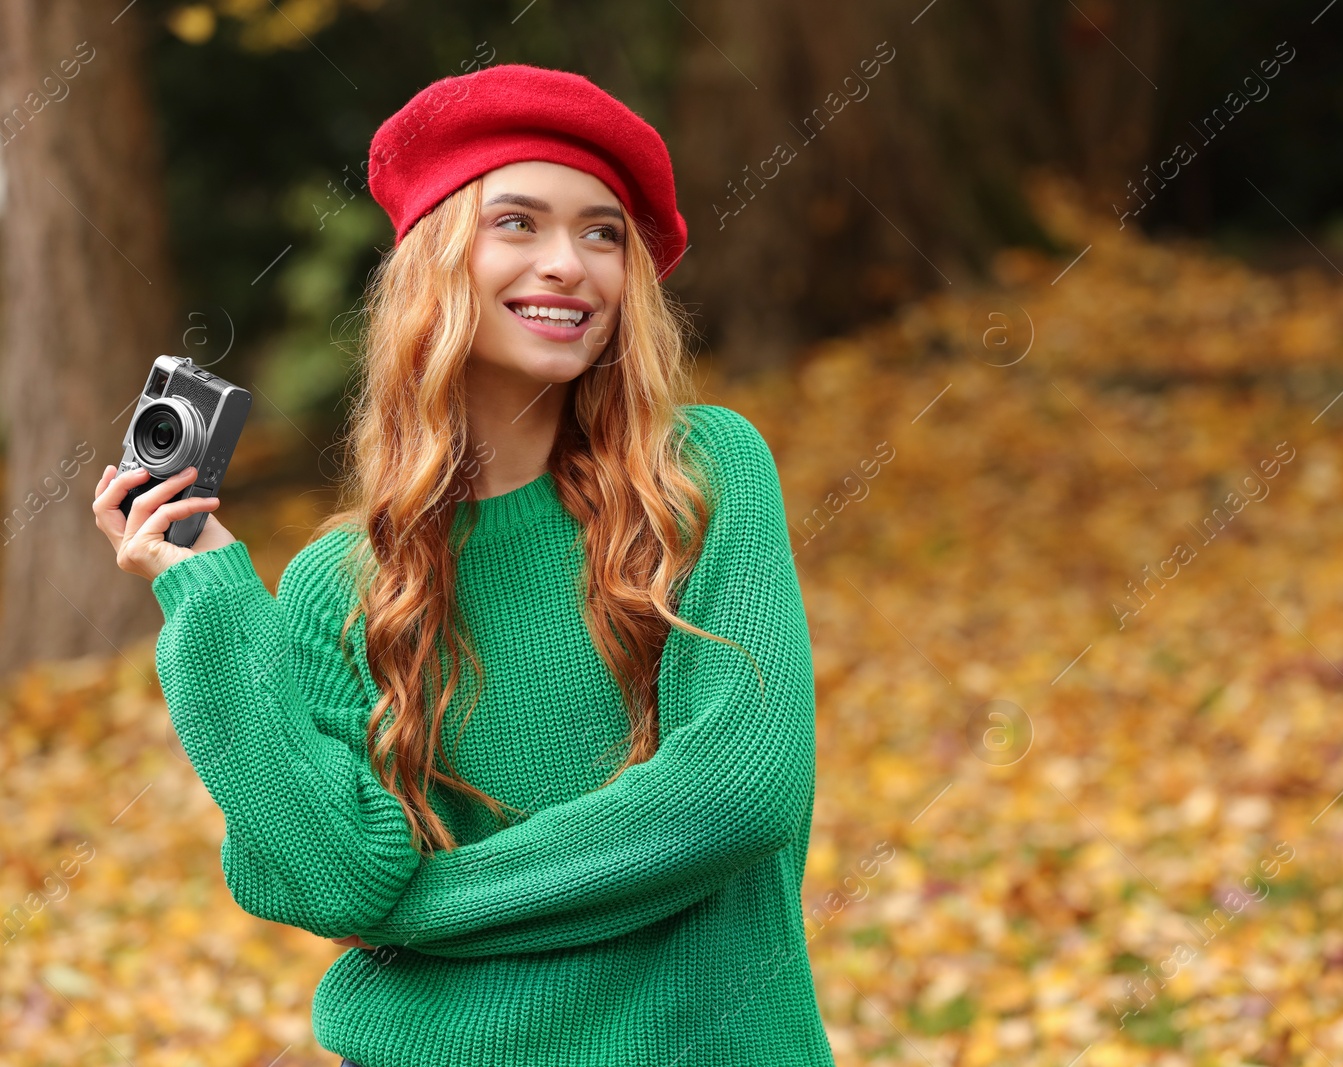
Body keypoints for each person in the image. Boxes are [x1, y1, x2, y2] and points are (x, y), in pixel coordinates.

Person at [90, 64, 833, 1067]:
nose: (569, 262)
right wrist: (210, 596)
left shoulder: (700, 477)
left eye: (602, 231)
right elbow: (333, 877)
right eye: (518, 223)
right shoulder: (339, 582)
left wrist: (422, 911)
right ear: (438, 259)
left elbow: (735, 793)